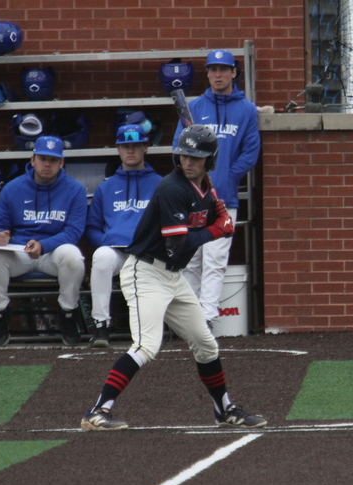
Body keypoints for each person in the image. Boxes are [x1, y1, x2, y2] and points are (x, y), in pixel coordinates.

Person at [81, 124, 266, 431]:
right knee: (145, 346)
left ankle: (224, 409)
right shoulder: (172, 188)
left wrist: (215, 211)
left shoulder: (204, 187)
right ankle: (97, 410)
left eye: (196, 157)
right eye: (184, 156)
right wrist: (218, 228)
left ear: (209, 160)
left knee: (206, 345)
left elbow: (200, 217)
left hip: (173, 276)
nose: (188, 162)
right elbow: (180, 242)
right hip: (146, 272)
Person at [170, 49, 261, 331]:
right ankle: (192, 319)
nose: (218, 75)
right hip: (193, 198)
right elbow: (179, 146)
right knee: (191, 261)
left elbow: (250, 151)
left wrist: (227, 178)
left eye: (223, 69)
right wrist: (193, 180)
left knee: (215, 260)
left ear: (234, 72)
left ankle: (206, 318)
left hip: (224, 197)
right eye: (212, 70)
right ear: (207, 74)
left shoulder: (246, 109)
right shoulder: (194, 107)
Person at [0, 136, 87, 346]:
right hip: (20, 250)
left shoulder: (75, 189)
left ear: (61, 163)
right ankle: (0, 314)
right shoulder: (13, 188)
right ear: (33, 160)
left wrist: (44, 245)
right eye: (42, 158)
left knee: (73, 257)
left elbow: (74, 232)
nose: (47, 164)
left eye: (53, 160)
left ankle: (67, 313)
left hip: (53, 252)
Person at [84, 124, 162, 347]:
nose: (130, 151)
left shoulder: (160, 184)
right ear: (118, 149)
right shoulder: (106, 188)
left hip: (148, 252)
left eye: (135, 146)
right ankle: (101, 325)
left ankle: (158, 326)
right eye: (125, 146)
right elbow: (92, 229)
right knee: (101, 257)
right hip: (117, 252)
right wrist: (106, 241)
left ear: (145, 147)